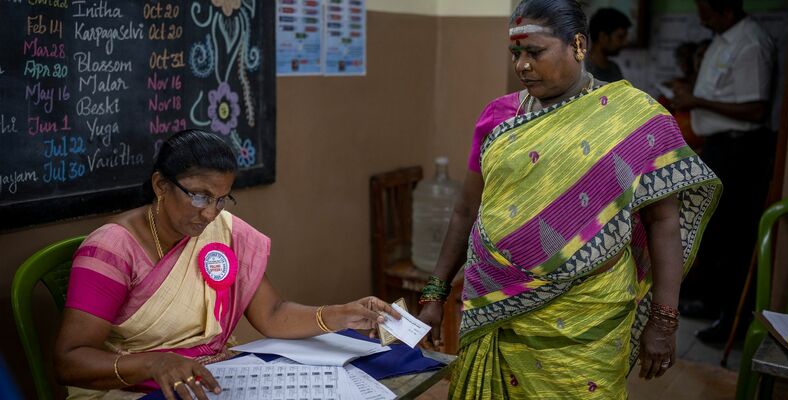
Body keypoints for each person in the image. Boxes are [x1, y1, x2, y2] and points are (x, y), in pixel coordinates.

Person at [416, 0, 721, 398]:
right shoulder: (499, 118)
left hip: (588, 320)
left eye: (535, 52)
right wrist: (435, 295)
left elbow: (663, 221)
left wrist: (664, 321)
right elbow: (465, 210)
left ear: (578, 45)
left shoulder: (630, 119)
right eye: (515, 54)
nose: (522, 66)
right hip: (496, 309)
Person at [54, 129, 400, 400]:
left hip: (216, 380)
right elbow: (70, 361)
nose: (210, 212)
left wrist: (342, 313)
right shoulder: (114, 247)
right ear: (161, 184)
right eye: (199, 195)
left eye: (221, 199)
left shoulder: (223, 232)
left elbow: (273, 313)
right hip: (133, 390)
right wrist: (154, 362)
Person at [671, 0, 776, 343]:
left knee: (734, 236)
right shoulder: (723, 38)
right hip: (718, 147)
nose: (700, 18)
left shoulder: (750, 43)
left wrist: (696, 103)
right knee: (714, 231)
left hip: (740, 151)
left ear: (726, 9)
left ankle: (733, 321)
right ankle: (713, 303)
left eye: (706, 10)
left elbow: (756, 108)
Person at [586, 7, 631, 82]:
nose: (625, 43)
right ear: (603, 37)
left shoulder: (614, 69)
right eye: (620, 37)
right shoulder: (581, 72)